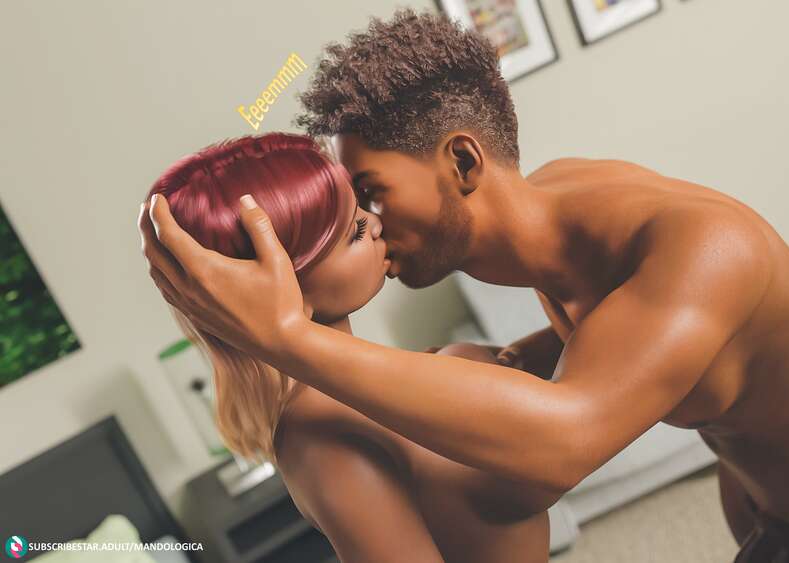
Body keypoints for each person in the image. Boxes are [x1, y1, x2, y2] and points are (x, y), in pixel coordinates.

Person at [139, 9, 789, 562]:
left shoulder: (701, 251)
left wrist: (285, 336)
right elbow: (613, 341)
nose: (370, 221)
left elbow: (565, 437)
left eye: (373, 194)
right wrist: (501, 359)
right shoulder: (552, 224)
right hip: (748, 481)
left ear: (461, 162)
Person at [141, 133, 550, 563]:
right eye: (355, 231)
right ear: (282, 289)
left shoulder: (377, 385)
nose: (377, 223)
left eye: (362, 208)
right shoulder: (322, 443)